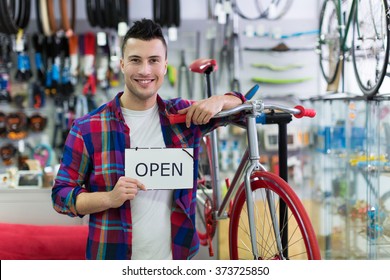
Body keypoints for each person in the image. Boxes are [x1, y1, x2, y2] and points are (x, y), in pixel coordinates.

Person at [52, 18, 246, 260]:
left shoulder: (184, 116)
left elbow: (243, 109)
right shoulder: (87, 128)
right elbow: (60, 196)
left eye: (153, 60)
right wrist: (109, 198)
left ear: (165, 66)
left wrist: (219, 100)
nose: (145, 70)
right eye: (135, 60)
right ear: (122, 64)